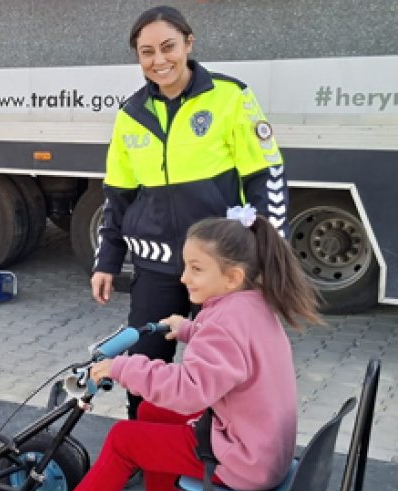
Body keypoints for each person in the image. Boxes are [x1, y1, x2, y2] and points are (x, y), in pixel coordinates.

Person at [14, 210, 322, 491]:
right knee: (152, 411)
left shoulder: (225, 323)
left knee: (124, 440)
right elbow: (233, 352)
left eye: (196, 268)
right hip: (260, 447)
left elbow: (189, 391)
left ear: (233, 277)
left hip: (243, 461)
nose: (183, 277)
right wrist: (189, 329)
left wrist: (123, 367)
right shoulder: (252, 305)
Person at [91, 5, 288, 420]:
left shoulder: (230, 96)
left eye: (168, 47)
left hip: (217, 266)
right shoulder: (131, 114)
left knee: (216, 371)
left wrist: (267, 255)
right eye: (147, 52)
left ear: (188, 43)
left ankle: (214, 445)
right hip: (156, 266)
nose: (159, 60)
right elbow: (118, 196)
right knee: (145, 361)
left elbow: (266, 178)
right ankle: (143, 437)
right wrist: (107, 261)